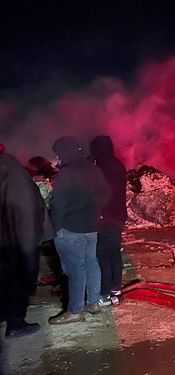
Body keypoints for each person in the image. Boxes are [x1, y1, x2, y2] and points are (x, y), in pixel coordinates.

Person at [49, 136, 110, 324]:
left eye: (58, 154)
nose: (58, 158)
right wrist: (94, 209)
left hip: (71, 229)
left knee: (76, 270)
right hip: (91, 227)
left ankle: (75, 310)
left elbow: (58, 205)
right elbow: (106, 193)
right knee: (92, 263)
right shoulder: (94, 169)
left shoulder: (66, 174)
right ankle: (93, 303)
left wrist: (54, 227)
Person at [0, 153, 44, 338]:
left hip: (6, 242)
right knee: (18, 281)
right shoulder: (19, 182)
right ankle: (16, 324)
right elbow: (31, 212)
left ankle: (5, 314)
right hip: (19, 243)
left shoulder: (6, 180)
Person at [89, 136, 127, 306]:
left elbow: (102, 194)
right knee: (114, 253)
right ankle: (115, 288)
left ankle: (104, 292)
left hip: (105, 217)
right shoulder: (117, 164)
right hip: (117, 216)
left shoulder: (103, 167)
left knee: (103, 254)